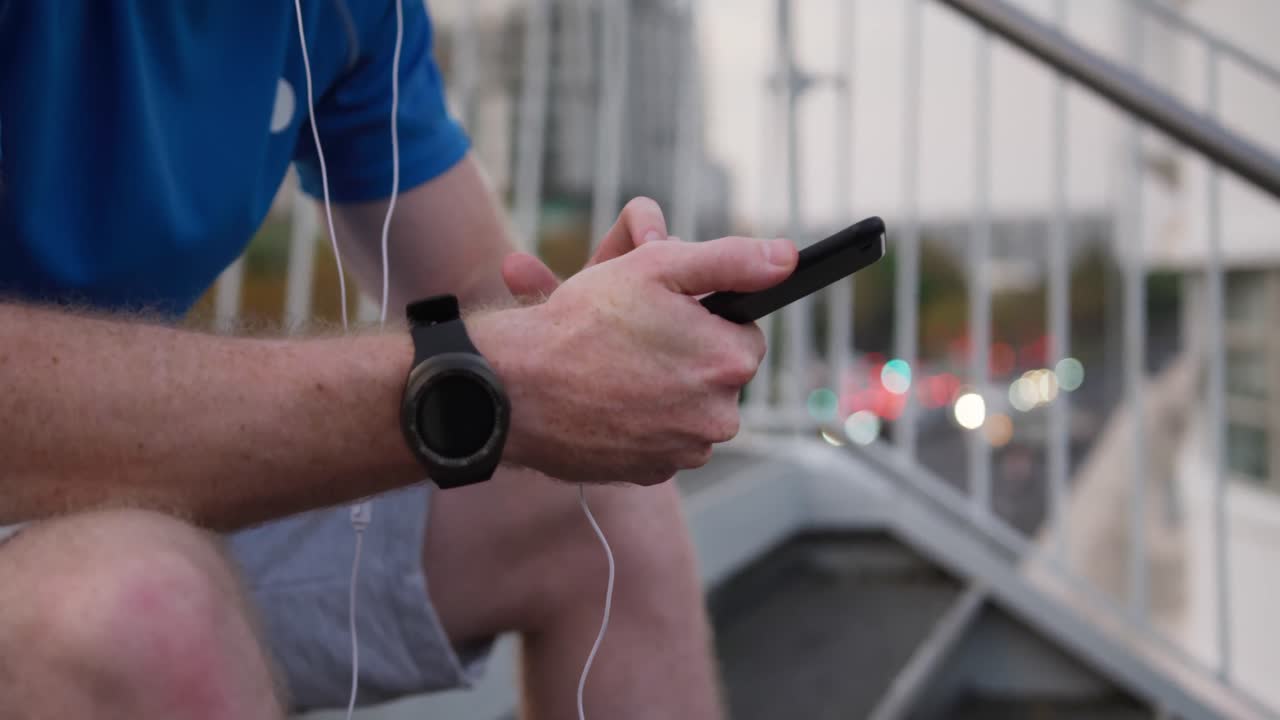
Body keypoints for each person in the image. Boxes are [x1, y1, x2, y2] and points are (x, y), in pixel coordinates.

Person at [0, 1, 797, 718]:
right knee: (143, 617)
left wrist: (595, 334)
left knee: (599, 501)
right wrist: (511, 370)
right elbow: (496, 362)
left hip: (104, 495)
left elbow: (480, 301)